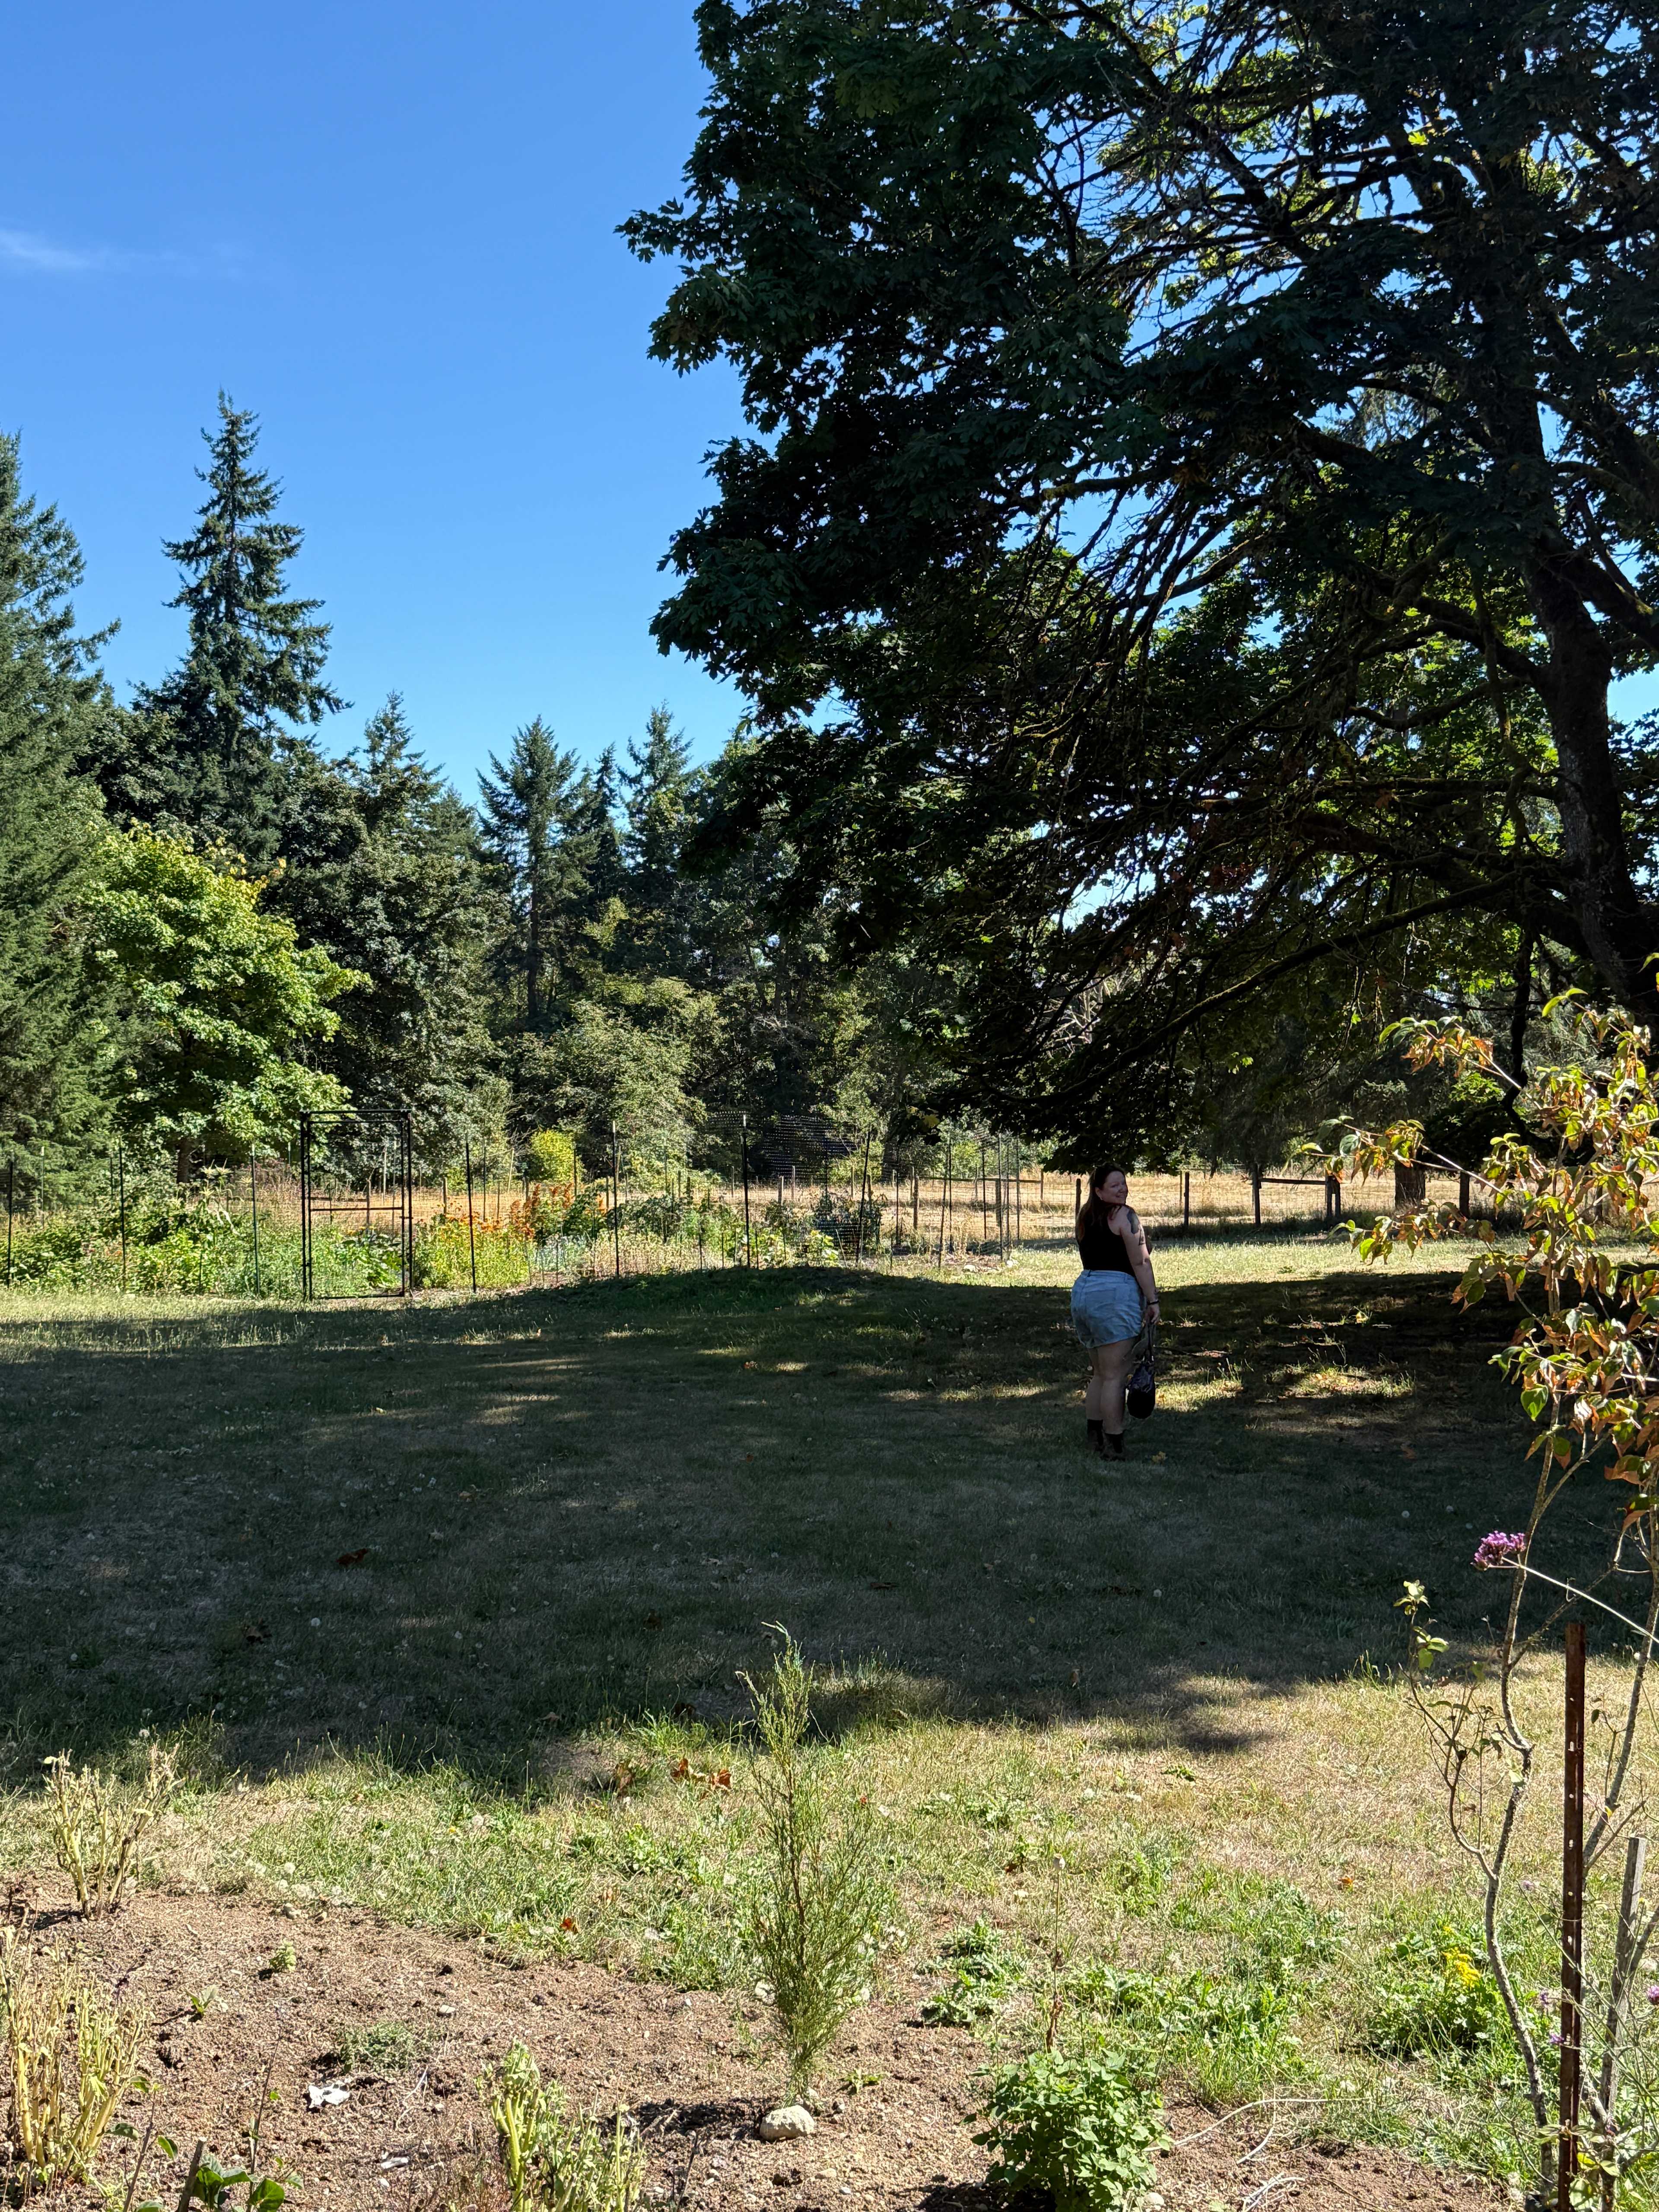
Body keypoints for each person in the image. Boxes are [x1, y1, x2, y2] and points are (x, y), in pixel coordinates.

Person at [1071, 1165, 1160, 1459]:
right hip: (1113, 1295)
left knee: (1100, 1373)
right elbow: (1141, 1263)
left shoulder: (1086, 1215)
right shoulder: (1125, 1216)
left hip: (1084, 1291)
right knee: (1115, 1376)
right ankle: (1114, 1444)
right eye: (1114, 1186)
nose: (1122, 1189)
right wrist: (1153, 1300)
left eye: (1124, 1183)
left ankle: (1093, 1438)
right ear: (1098, 1191)